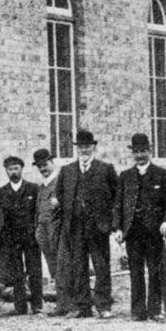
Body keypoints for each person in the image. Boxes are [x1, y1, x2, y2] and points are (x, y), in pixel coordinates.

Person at [55, 129, 118, 319]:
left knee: (101, 266)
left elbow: (116, 197)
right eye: (80, 147)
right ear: (76, 149)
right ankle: (83, 306)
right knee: (78, 267)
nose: (84, 150)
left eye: (87, 147)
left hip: (98, 227)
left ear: (93, 148)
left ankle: (103, 305)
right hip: (75, 227)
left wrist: (110, 223)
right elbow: (60, 194)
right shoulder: (67, 171)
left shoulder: (105, 169)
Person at [113, 132, 166, 322]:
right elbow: (118, 205)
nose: (140, 155)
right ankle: (138, 311)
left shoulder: (162, 174)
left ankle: (155, 310)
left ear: (150, 151)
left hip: (154, 231)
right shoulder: (125, 176)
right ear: (132, 153)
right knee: (135, 271)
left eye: (143, 151)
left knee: (155, 270)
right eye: (136, 152)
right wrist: (118, 228)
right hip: (133, 231)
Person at [0, 154, 44, 315]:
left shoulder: (33, 189)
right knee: (16, 272)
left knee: (34, 270)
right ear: (6, 172)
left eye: (16, 168)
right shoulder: (2, 192)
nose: (13, 172)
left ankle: (37, 305)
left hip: (30, 237)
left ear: (21, 169)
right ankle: (20, 305)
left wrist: (35, 231)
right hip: (12, 239)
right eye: (10, 169)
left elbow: (38, 213)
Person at [33, 148, 69, 316]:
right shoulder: (41, 186)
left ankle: (65, 304)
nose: (43, 168)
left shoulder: (60, 183)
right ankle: (63, 302)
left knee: (62, 266)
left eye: (45, 164)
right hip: (44, 232)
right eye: (40, 166)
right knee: (53, 267)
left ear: (52, 163)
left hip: (57, 230)